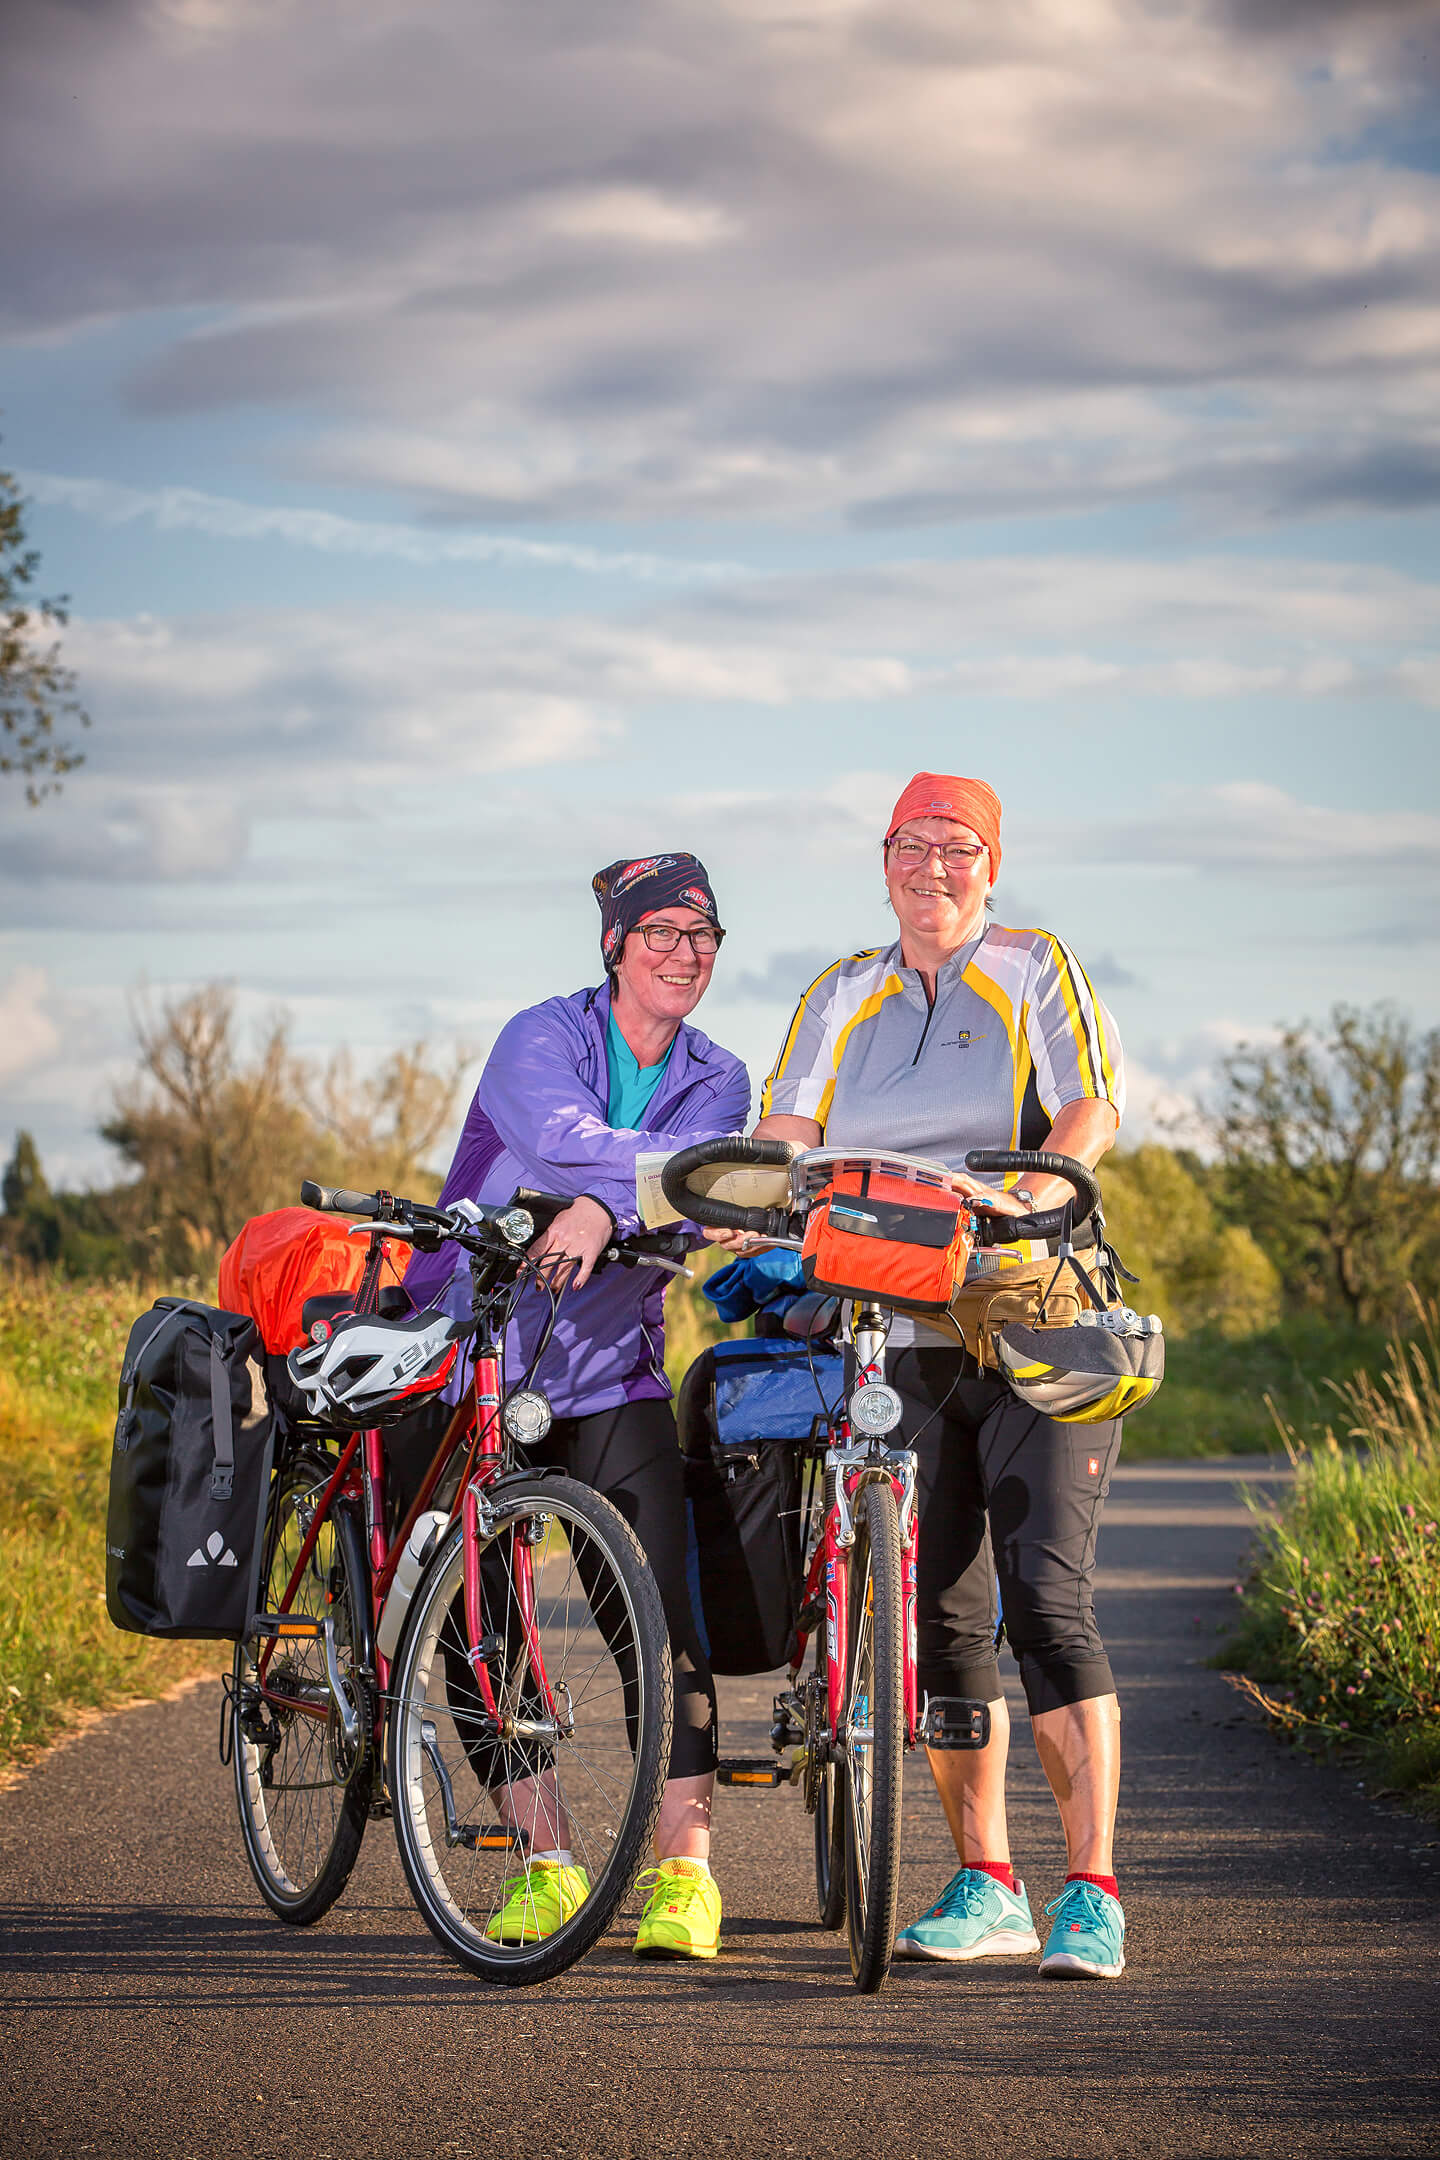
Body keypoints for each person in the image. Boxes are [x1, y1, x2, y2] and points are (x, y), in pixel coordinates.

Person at [721, 771, 1129, 1979]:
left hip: (1028, 1316)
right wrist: (757, 1201)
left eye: (958, 847)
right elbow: (788, 1128)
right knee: (942, 1616)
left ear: (990, 865)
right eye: (913, 845)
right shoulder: (842, 988)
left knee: (1046, 1602)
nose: (934, 867)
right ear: (883, 858)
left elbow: (1089, 1105)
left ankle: (1093, 1890)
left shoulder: (1031, 964)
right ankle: (987, 1880)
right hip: (897, 1323)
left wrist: (1040, 1191)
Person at [401, 851, 749, 1961]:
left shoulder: (721, 1074)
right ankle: (545, 1864)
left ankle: (685, 1875)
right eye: (662, 933)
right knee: (480, 1619)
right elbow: (571, 1145)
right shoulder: (536, 1037)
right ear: (613, 945)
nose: (684, 954)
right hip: (486, 1362)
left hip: (613, 1373)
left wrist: (602, 1213)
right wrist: (630, 1197)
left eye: (703, 937)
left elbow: (709, 1197)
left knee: (659, 1620)